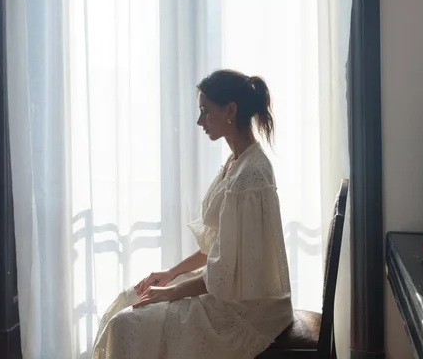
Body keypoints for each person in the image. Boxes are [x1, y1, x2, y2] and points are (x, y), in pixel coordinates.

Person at [92, 69, 293, 359]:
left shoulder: (251, 176)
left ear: (230, 111)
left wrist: (172, 292)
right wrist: (172, 274)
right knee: (129, 297)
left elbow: (227, 275)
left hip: (246, 309)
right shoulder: (234, 163)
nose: (200, 121)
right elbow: (220, 249)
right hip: (226, 290)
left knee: (126, 323)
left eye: (205, 111)